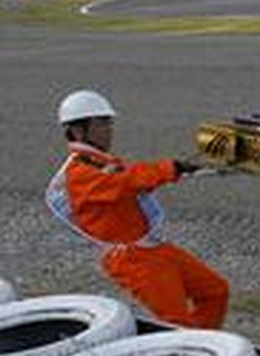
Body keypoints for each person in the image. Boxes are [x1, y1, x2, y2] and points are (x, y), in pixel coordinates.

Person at [45, 89, 229, 328]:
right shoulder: (80, 174)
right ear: (78, 130)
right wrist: (171, 168)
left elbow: (133, 182)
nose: (109, 130)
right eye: (101, 123)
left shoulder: (100, 163)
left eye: (109, 123)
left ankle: (201, 342)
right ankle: (189, 347)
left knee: (215, 291)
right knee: (176, 323)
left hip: (152, 246)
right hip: (131, 259)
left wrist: (176, 170)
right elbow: (127, 181)